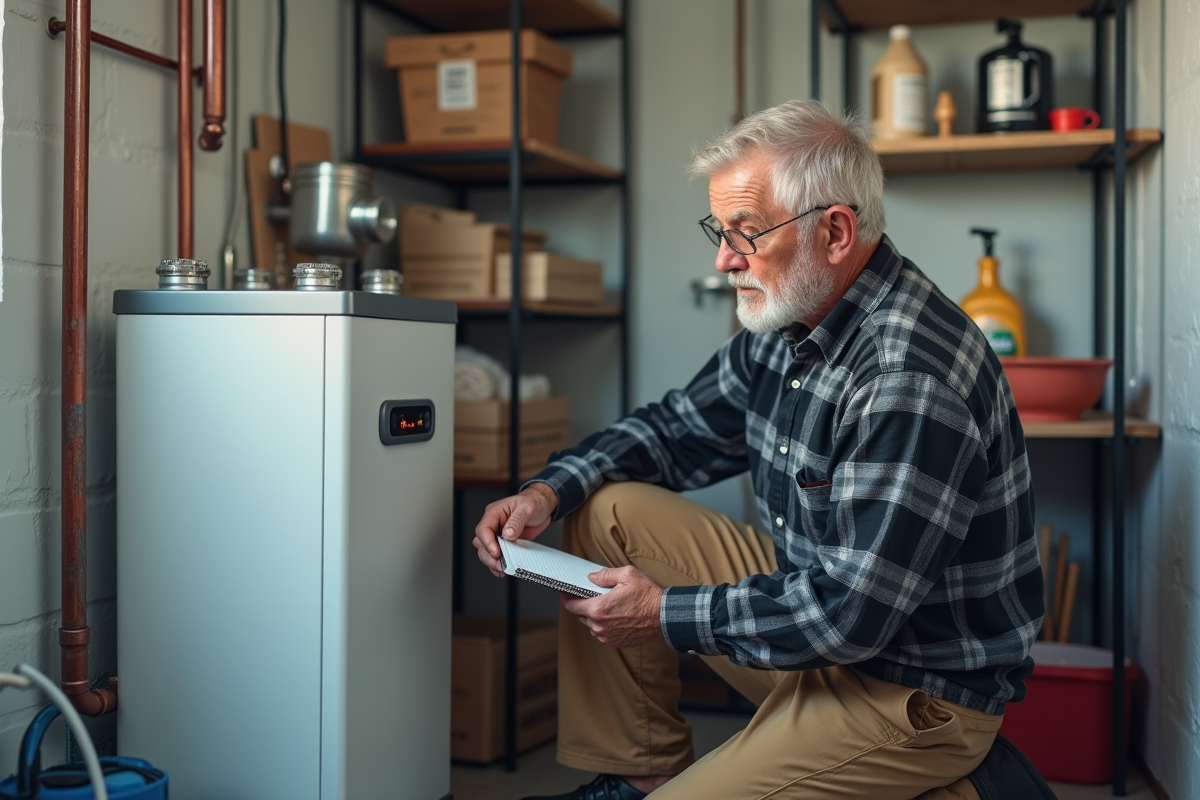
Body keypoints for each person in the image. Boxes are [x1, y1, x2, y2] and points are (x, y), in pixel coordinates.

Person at [473, 99, 1042, 800]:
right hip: (825, 632)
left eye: (747, 232)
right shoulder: (792, 319)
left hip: (906, 682)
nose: (723, 259)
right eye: (720, 229)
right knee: (607, 508)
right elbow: (675, 429)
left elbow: (849, 614)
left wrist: (663, 613)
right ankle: (639, 776)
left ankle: (953, 777)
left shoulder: (905, 378)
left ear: (835, 232)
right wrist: (546, 491)